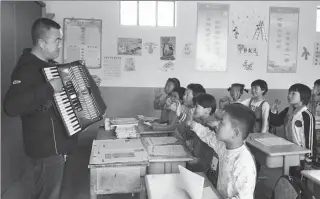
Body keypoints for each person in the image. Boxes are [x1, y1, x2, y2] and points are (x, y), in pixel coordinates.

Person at [2, 18, 105, 199]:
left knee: (53, 194)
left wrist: (86, 86)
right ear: (41, 43)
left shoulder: (50, 67)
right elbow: (11, 106)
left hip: (58, 148)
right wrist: (49, 88)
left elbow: (63, 97)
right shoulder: (26, 69)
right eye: (56, 40)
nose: (60, 44)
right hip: (45, 150)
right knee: (48, 195)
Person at [176, 102, 257, 199]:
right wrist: (192, 123)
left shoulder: (243, 162)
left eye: (222, 122)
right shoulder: (224, 146)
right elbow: (207, 135)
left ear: (235, 133)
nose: (216, 125)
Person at [269, 83, 315, 177]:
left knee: (300, 176)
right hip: (289, 149)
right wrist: (273, 110)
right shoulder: (287, 110)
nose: (289, 96)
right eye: (289, 93)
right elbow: (276, 122)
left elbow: (310, 137)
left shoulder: (306, 115)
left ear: (303, 97)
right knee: (290, 174)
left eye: (293, 93)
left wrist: (309, 157)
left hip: (302, 152)